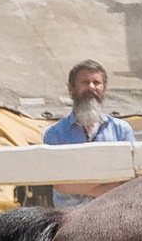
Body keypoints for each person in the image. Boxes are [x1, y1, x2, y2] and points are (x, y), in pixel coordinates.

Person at [43, 60, 135, 207]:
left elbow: (129, 181)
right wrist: (107, 184)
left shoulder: (121, 130)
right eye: (85, 82)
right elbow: (60, 185)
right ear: (71, 89)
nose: (91, 87)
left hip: (112, 215)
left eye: (96, 82)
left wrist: (77, 185)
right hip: (68, 219)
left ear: (103, 88)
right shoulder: (55, 133)